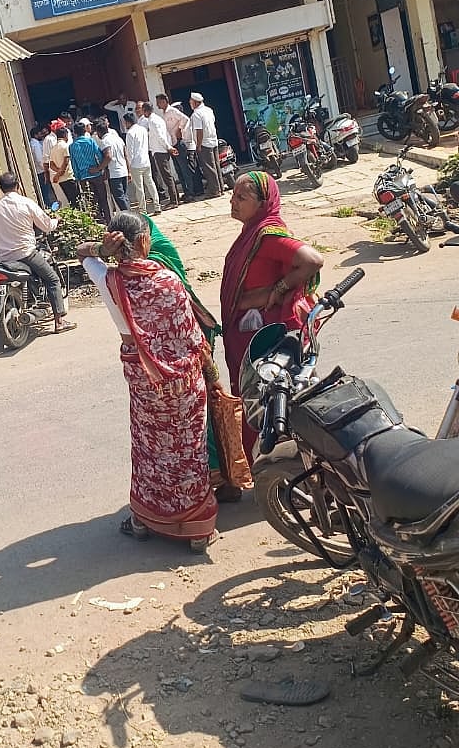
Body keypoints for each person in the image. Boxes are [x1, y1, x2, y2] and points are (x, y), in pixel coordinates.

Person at [77, 211, 217, 550]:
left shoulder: (107, 279)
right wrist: (212, 377)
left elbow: (82, 253)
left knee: (150, 449)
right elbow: (194, 337)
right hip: (183, 381)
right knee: (187, 450)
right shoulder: (168, 280)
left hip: (143, 378)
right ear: (143, 241)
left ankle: (144, 520)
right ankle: (197, 530)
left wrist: (100, 248)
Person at [220, 172, 324, 461]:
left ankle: (280, 464)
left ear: (263, 203)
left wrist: (275, 291)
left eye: (242, 197)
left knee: (267, 402)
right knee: (259, 400)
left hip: (265, 339)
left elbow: (312, 261)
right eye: (233, 195)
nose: (233, 201)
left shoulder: (268, 235)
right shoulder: (251, 234)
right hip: (249, 332)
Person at [145, 216, 250, 501]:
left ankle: (224, 480)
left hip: (193, 343)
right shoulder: (149, 258)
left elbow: (187, 322)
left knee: (207, 416)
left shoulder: (159, 260)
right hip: (176, 350)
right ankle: (218, 479)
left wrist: (210, 370)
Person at [0, 173, 75, 334]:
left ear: (1, 189)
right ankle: (60, 322)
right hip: (26, 254)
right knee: (53, 279)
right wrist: (57, 220)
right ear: (18, 186)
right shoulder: (26, 203)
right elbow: (47, 226)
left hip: (2, 259)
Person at [155, 94, 196, 200]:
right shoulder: (164, 114)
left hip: (178, 142)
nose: (157, 104)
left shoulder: (172, 111)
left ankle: (191, 192)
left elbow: (185, 119)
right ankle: (186, 192)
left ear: (165, 101)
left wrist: (179, 129)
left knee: (184, 168)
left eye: (159, 102)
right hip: (172, 144)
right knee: (178, 169)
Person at [69, 123, 110, 224]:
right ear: (85, 131)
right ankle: (108, 219)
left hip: (83, 177)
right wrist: (99, 168)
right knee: (103, 198)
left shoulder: (72, 146)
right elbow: (99, 156)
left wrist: (78, 178)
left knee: (91, 201)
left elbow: (74, 164)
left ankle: (100, 221)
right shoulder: (91, 141)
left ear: (75, 133)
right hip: (96, 174)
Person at [140, 102, 178, 208]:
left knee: (167, 176)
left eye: (143, 111)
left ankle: (174, 200)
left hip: (160, 150)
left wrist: (168, 147)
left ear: (146, 111)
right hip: (161, 149)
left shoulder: (152, 121)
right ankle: (175, 198)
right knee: (167, 175)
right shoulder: (158, 119)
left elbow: (160, 136)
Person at [124, 113, 160, 215]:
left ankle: (143, 210)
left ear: (128, 122)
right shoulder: (143, 129)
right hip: (146, 161)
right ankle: (157, 206)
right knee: (150, 183)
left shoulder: (130, 133)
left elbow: (130, 152)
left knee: (139, 188)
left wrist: (129, 167)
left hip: (136, 163)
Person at [189, 93, 224, 197]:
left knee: (209, 168)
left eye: (191, 101)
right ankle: (220, 188)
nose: (190, 103)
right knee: (216, 166)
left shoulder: (196, 114)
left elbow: (199, 131)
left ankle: (215, 190)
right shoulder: (209, 110)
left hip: (204, 143)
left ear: (195, 102)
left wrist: (198, 145)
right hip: (213, 140)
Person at [93, 117, 130, 211]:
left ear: (99, 132)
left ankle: (130, 217)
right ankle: (129, 214)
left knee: (119, 198)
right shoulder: (118, 139)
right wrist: (129, 171)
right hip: (123, 170)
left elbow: (108, 156)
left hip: (114, 173)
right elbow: (126, 155)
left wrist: (98, 168)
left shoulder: (105, 142)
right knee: (124, 196)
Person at [48, 126, 80, 206]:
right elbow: (66, 161)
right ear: (65, 135)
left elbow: (51, 165)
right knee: (77, 201)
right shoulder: (65, 146)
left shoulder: (53, 149)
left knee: (71, 200)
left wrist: (58, 173)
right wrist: (60, 173)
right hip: (69, 177)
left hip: (61, 180)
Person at [30, 124, 54, 207]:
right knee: (45, 190)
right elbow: (39, 159)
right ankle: (48, 206)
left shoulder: (35, 143)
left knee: (45, 190)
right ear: (36, 135)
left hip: (40, 170)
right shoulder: (35, 145)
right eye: (40, 134)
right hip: (41, 171)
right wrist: (46, 169)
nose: (41, 135)